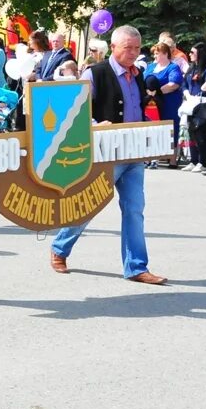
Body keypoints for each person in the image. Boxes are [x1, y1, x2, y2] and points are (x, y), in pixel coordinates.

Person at [50, 24, 167, 285]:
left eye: (137, 48)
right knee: (90, 204)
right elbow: (75, 110)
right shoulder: (96, 73)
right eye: (128, 48)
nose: (134, 53)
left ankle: (136, 266)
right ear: (113, 47)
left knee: (135, 209)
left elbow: (135, 108)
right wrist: (94, 125)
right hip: (106, 152)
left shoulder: (138, 74)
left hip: (133, 152)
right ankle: (60, 248)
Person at [144, 42, 184, 167]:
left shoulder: (173, 67)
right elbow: (142, 80)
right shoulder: (151, 67)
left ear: (166, 54)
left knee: (171, 129)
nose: (155, 56)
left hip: (169, 102)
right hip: (151, 104)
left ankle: (172, 159)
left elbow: (174, 84)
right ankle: (150, 157)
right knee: (151, 129)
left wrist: (158, 92)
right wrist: (149, 93)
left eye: (157, 54)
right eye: (154, 54)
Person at [182, 43, 206, 173]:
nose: (189, 54)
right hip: (190, 103)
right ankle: (193, 159)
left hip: (202, 104)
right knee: (191, 133)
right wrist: (186, 93)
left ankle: (203, 161)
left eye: (192, 52)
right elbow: (184, 83)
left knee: (201, 134)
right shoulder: (191, 68)